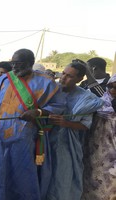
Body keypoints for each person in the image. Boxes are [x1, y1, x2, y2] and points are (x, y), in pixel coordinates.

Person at [0, 48, 64, 200]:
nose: (14, 67)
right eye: (12, 63)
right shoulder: (2, 81)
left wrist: (38, 112)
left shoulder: (46, 83)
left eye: (18, 64)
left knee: (24, 179)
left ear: (30, 63)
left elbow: (58, 106)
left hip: (28, 141)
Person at [46, 59, 103, 200]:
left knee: (62, 180)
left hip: (67, 146)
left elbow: (85, 125)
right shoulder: (51, 91)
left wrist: (66, 123)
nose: (63, 78)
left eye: (69, 76)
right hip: (45, 142)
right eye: (63, 74)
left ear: (79, 79)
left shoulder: (86, 98)